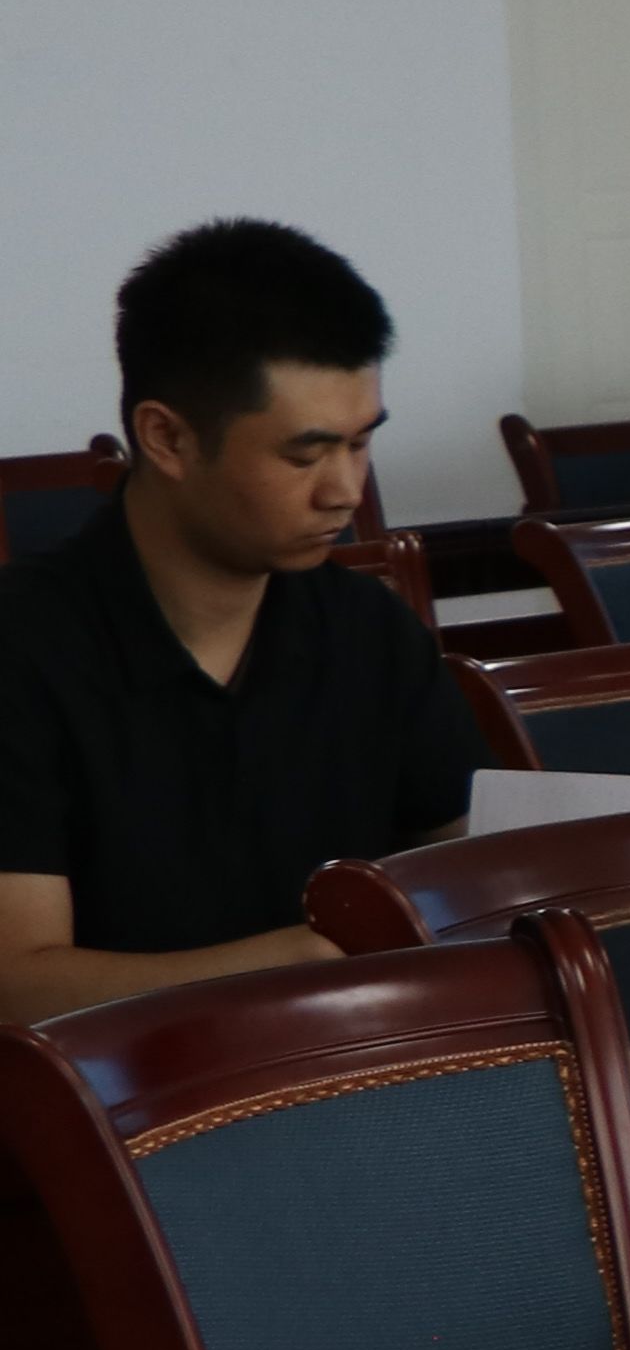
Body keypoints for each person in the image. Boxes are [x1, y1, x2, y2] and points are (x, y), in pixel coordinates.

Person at [0, 220, 469, 1028]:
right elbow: (16, 985)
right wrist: (292, 969)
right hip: (115, 1095)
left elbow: (469, 873)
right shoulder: (23, 648)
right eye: (304, 455)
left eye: (360, 445)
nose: (345, 491)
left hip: (365, 1070)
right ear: (168, 438)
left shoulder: (368, 630)